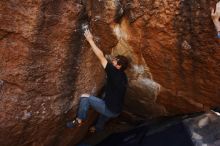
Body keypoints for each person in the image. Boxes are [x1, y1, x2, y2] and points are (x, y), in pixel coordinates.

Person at [66, 29, 129, 132]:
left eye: (115, 60)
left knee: (85, 98)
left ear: (118, 66)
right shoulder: (123, 76)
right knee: (104, 108)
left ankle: (79, 120)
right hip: (117, 110)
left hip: (110, 109)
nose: (112, 60)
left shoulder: (114, 72)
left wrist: (90, 40)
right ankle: (97, 128)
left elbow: (101, 56)